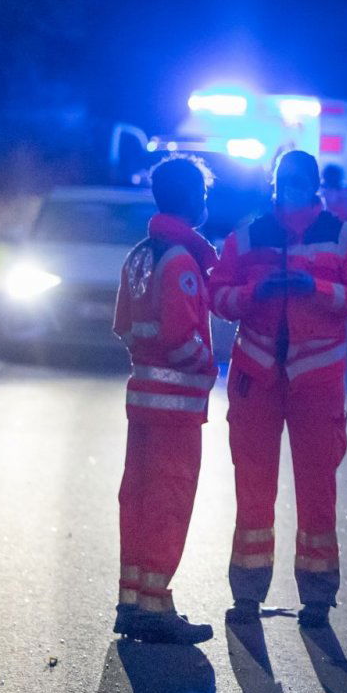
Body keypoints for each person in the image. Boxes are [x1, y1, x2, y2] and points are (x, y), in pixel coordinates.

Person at [209, 150, 347, 628]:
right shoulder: (247, 236)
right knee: (252, 489)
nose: (292, 187)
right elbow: (218, 296)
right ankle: (247, 594)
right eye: (285, 180)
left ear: (316, 184)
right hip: (257, 377)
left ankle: (318, 599)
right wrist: (252, 295)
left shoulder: (343, 238)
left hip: (316, 382)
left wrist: (317, 289)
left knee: (318, 490)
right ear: (274, 183)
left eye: (301, 180)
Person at [110, 156, 220, 645]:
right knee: (168, 501)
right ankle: (156, 607)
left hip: (142, 401)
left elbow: (123, 327)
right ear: (192, 198)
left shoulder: (139, 255)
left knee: (136, 497)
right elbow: (182, 338)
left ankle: (132, 600)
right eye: (202, 193)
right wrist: (209, 366)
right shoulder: (181, 261)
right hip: (176, 405)